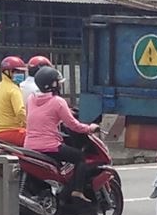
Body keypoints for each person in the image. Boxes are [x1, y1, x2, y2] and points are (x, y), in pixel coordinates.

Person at [24, 64, 100, 193]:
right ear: (53, 85)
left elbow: (39, 116)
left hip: (29, 146)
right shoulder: (58, 102)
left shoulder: (31, 99)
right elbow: (73, 125)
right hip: (49, 147)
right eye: (58, 83)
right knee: (80, 157)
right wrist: (89, 128)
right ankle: (77, 191)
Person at [0, 55, 29, 147]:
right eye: (17, 71)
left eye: (22, 72)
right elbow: (20, 112)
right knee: (39, 139)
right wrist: (30, 125)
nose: (20, 75)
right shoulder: (13, 89)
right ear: (7, 72)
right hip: (10, 132)